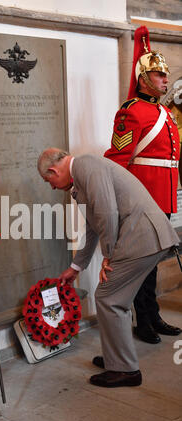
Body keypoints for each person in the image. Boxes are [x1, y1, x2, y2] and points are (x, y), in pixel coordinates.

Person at [38, 148, 180, 388]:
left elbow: (107, 213)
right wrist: (76, 267)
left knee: (109, 298)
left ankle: (125, 370)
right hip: (144, 237)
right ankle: (118, 359)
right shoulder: (83, 174)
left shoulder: (85, 165)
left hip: (142, 237)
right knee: (114, 298)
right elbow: (95, 225)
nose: (51, 186)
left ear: (53, 170)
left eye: (48, 181)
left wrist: (109, 256)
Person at [104, 26, 181, 344]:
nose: (165, 79)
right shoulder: (131, 113)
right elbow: (118, 160)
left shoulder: (165, 112)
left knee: (154, 262)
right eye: (158, 75)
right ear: (143, 78)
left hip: (163, 198)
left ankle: (152, 315)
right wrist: (121, 203)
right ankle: (142, 321)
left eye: (164, 75)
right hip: (141, 200)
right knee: (141, 266)